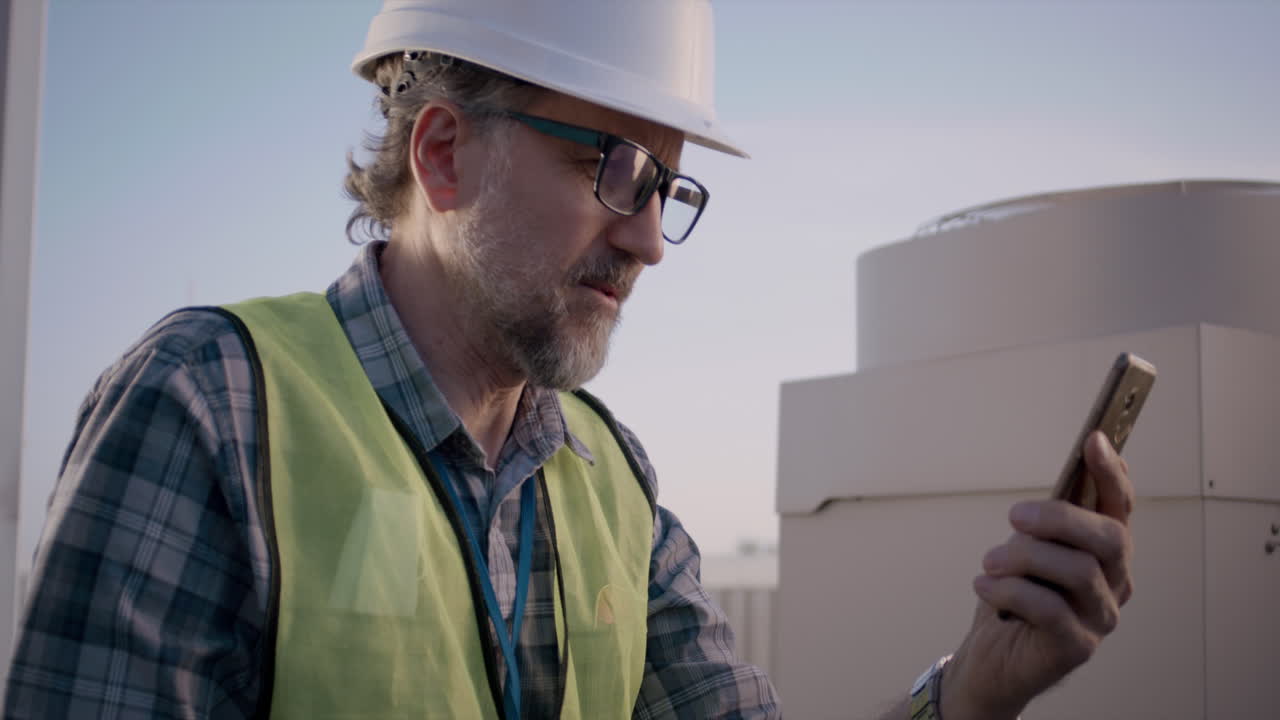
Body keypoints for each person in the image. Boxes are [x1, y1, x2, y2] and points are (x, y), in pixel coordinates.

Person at [5, 2, 1134, 718]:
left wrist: (976, 692)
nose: (648, 237)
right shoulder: (207, 410)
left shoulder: (610, 485)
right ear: (442, 154)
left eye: (668, 187)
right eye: (615, 167)